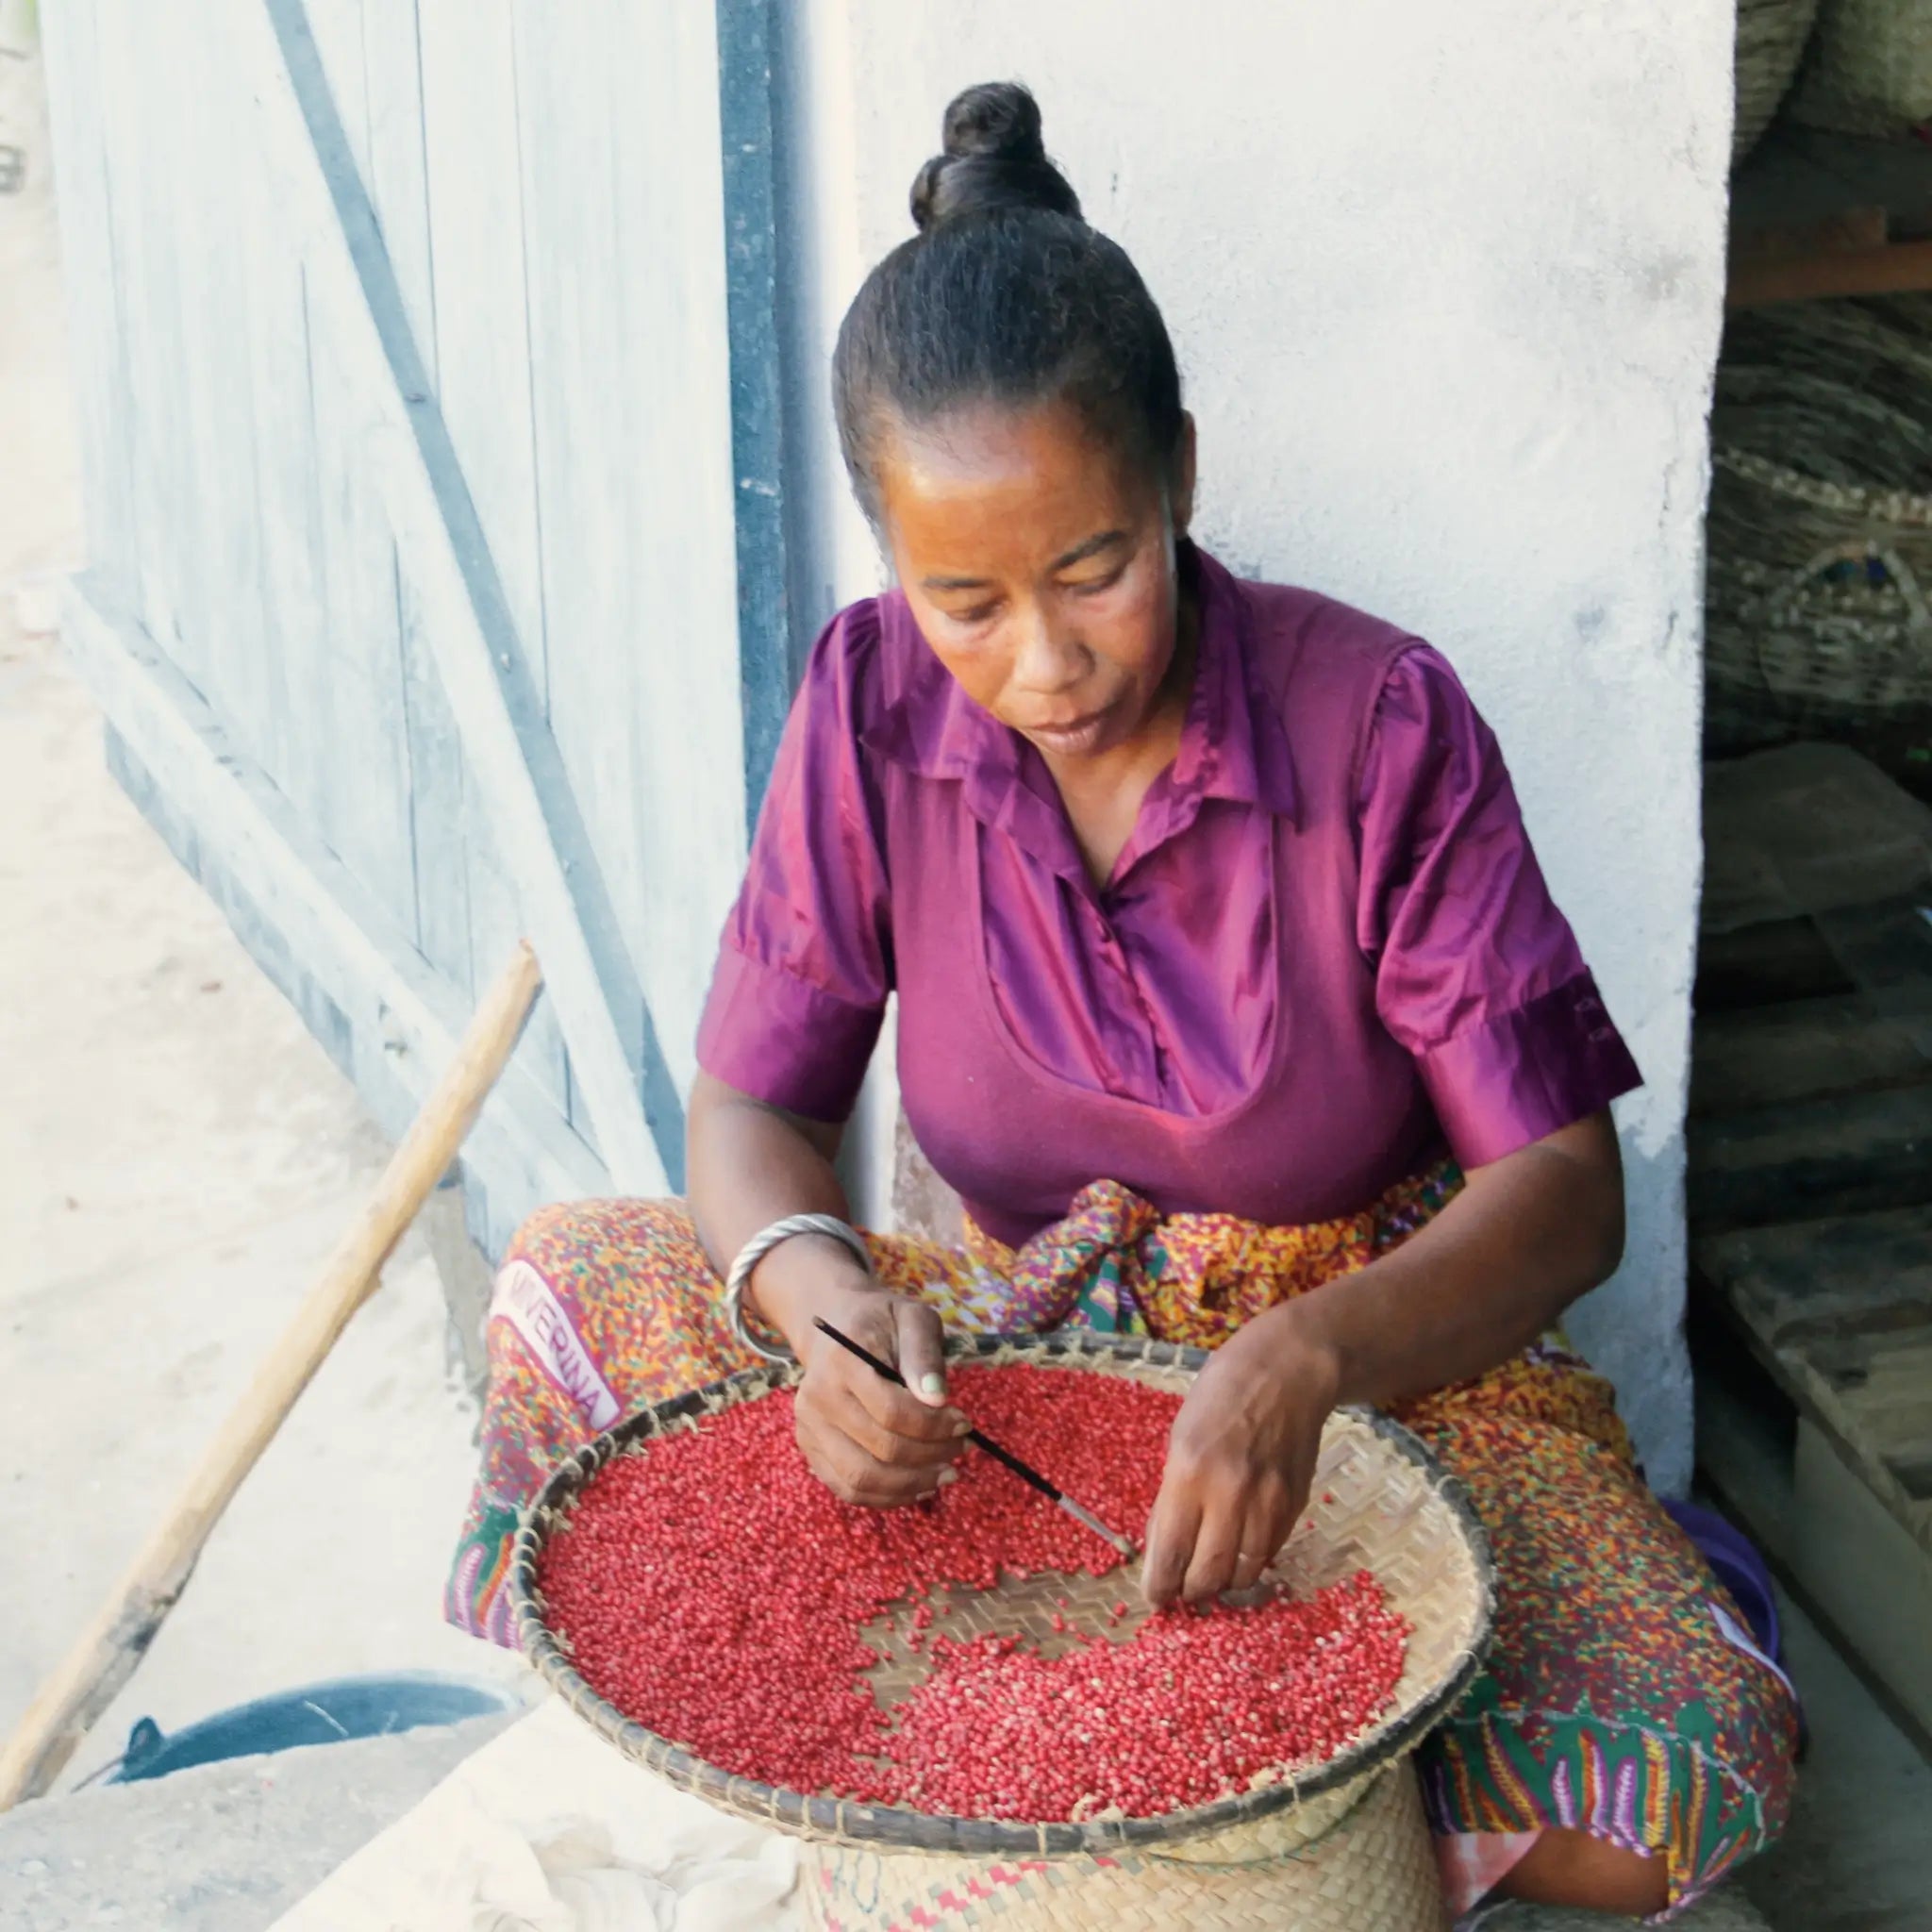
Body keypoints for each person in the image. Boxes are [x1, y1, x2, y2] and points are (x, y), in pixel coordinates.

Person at [449, 81, 1796, 1920]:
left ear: (1177, 470)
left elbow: (1560, 1189)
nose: (1042, 659)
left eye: (1091, 570)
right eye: (964, 601)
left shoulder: (1376, 724)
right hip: (1008, 1353)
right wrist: (821, 1298)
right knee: (571, 1289)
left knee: (1663, 1782)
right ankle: (1156, 1766)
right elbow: (752, 1107)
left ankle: (1116, 1772)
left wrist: (1306, 1363)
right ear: (893, 567)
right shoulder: (867, 705)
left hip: (1372, 1379)